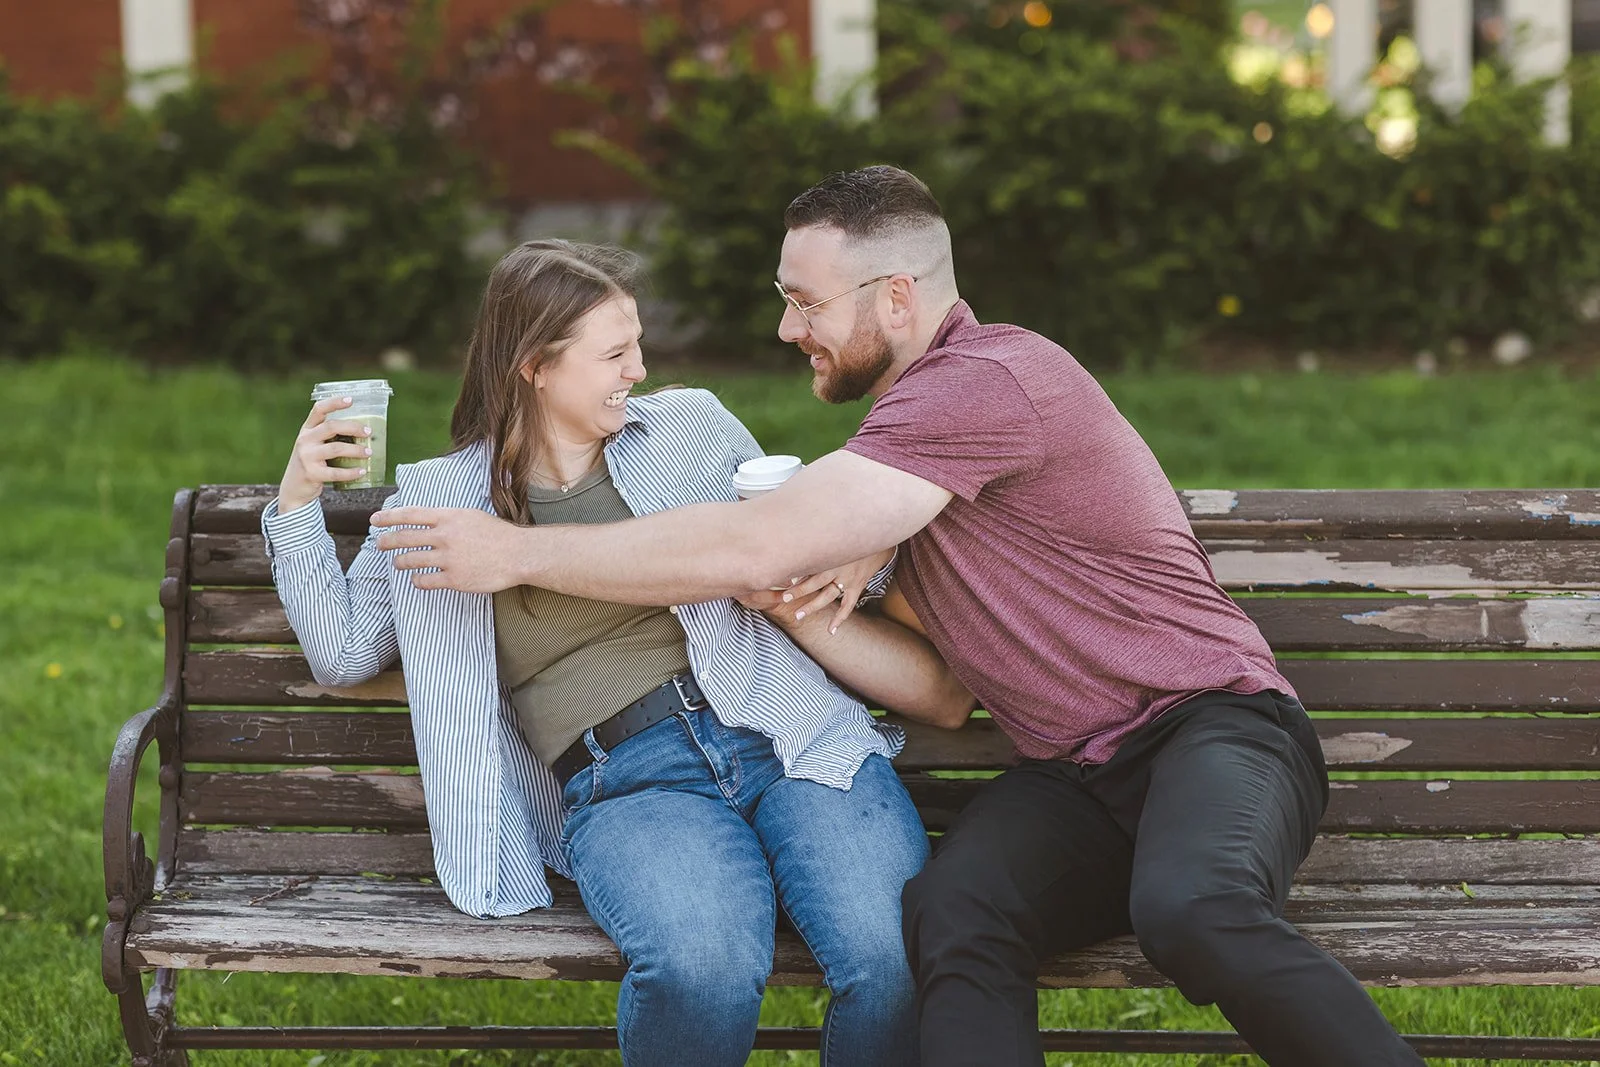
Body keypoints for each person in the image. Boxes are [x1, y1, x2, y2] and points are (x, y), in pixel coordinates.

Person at [368, 168, 1427, 1067]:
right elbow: (907, 652)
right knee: (953, 915)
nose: (786, 328)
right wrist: (818, 565)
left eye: (805, 302)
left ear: (895, 299)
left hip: (1215, 723)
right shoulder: (910, 437)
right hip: (1080, 773)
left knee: (1191, 907)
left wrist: (514, 552)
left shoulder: (989, 379)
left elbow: (756, 542)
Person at [264, 238, 966, 1067]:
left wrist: (855, 543)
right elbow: (344, 654)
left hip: (789, 733)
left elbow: (802, 528)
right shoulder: (442, 503)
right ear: (534, 365)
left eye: (638, 344)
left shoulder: (691, 429)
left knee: (893, 956)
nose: (638, 368)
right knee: (699, 968)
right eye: (614, 352)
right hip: (628, 780)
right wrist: (298, 499)